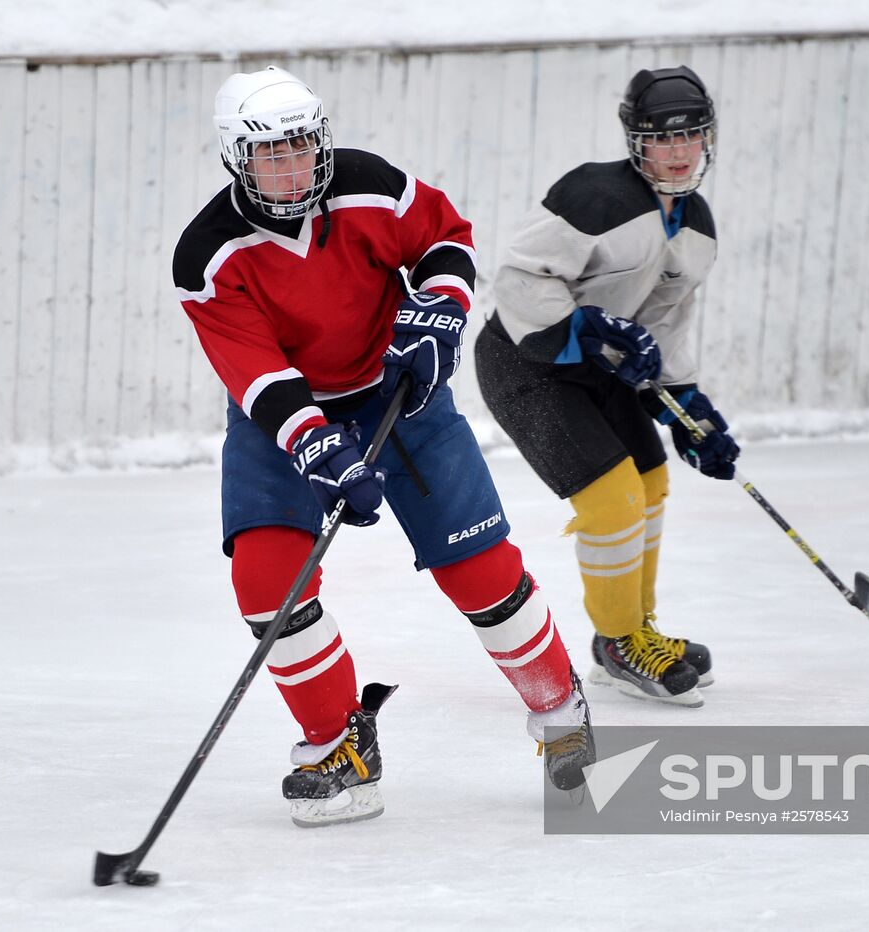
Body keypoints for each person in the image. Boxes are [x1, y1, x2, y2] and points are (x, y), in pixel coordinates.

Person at [174, 66, 594, 827]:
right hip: (283, 417)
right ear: (237, 158)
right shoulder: (206, 255)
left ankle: (562, 712)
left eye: (303, 146)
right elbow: (257, 374)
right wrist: (318, 448)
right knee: (267, 587)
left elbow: (445, 238)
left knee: (480, 573)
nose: (294, 166)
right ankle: (341, 748)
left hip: (400, 395)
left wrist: (438, 310)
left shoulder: (367, 184)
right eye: (271, 153)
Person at [475, 65, 739, 708]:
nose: (678, 153)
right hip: (528, 364)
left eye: (690, 136)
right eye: (662, 138)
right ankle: (620, 644)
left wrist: (687, 408)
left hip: (601, 370)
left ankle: (636, 631)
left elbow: (664, 322)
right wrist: (584, 326)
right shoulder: (594, 196)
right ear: (636, 141)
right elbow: (518, 277)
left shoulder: (697, 227)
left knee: (651, 483)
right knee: (612, 501)